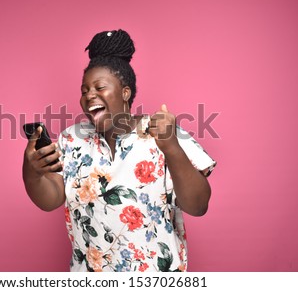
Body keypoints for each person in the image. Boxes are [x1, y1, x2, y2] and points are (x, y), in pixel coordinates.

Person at [23, 29, 216, 272]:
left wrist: (172, 148)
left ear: (125, 93)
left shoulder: (163, 130)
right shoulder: (70, 139)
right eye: (84, 90)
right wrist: (31, 170)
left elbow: (198, 206)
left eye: (99, 87)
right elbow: (49, 200)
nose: (89, 95)